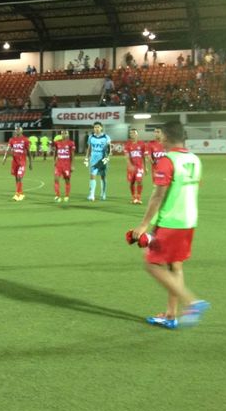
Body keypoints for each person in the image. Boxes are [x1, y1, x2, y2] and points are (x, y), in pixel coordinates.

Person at [130, 120, 209, 329]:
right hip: (189, 220)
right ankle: (171, 315)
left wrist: (143, 225)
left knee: (152, 264)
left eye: (160, 135)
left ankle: (191, 302)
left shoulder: (167, 161)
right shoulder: (194, 159)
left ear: (165, 136)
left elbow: (158, 196)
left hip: (170, 222)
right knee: (175, 266)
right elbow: (196, 186)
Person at [1, 126, 32, 201]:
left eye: (18, 130)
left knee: (19, 177)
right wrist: (5, 158)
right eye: (16, 130)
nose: (17, 131)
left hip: (22, 162)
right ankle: (21, 193)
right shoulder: (12, 139)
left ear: (21, 131)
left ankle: (17, 194)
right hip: (15, 162)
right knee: (16, 178)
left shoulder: (25, 140)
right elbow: (8, 149)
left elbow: (28, 152)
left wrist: (30, 163)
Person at [85, 121, 111, 201]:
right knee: (92, 176)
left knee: (103, 176)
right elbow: (89, 148)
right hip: (93, 158)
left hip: (102, 158)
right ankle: (92, 195)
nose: (96, 129)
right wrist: (86, 158)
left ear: (101, 128)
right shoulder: (91, 137)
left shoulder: (106, 137)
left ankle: (103, 193)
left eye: (98, 127)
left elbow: (109, 148)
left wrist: (107, 158)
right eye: (95, 127)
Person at [124, 128, 146, 204]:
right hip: (131, 167)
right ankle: (134, 197)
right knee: (132, 182)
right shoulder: (128, 144)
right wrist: (130, 165)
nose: (132, 134)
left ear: (137, 134)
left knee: (139, 181)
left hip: (139, 167)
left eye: (133, 133)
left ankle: (138, 197)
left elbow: (143, 156)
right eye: (130, 133)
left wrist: (145, 167)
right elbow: (127, 156)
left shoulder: (142, 144)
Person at [52, 131, 75, 202]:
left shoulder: (71, 143)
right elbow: (55, 152)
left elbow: (72, 155)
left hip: (67, 165)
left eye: (65, 133)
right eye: (62, 133)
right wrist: (54, 160)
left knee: (67, 180)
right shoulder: (57, 142)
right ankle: (57, 195)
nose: (64, 135)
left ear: (68, 134)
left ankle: (67, 195)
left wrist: (72, 165)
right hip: (59, 164)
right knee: (56, 179)